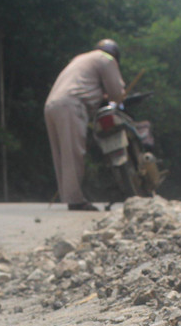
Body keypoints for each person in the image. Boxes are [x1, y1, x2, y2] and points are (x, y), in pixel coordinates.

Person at [44, 39, 126, 211]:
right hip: (72, 104)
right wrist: (117, 97)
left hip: (52, 104)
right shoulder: (107, 59)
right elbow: (116, 92)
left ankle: (69, 195)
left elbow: (85, 85)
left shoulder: (80, 58)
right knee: (74, 152)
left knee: (62, 155)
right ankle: (75, 200)